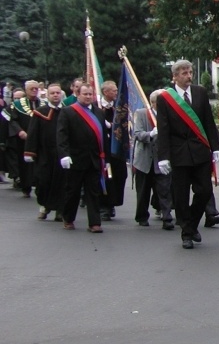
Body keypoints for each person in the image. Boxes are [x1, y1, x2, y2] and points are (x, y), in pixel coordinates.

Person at [156, 60, 219, 249]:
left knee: (204, 191)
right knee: (181, 195)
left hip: (200, 150)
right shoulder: (165, 98)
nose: (189, 76)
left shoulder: (200, 92)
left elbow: (209, 122)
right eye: (184, 73)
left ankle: (192, 224)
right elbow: (163, 129)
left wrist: (216, 146)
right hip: (179, 153)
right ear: (175, 76)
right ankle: (186, 233)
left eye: (190, 72)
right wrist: (163, 157)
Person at [56, 84, 108, 233]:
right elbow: (62, 135)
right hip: (75, 158)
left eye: (90, 94)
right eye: (85, 94)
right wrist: (64, 155)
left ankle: (94, 223)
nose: (88, 97)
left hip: (95, 159)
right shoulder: (68, 112)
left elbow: (103, 137)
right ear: (78, 95)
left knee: (93, 192)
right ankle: (68, 218)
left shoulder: (99, 113)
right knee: (73, 191)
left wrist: (106, 159)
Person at [131, 90, 174, 230]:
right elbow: (137, 134)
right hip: (145, 160)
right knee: (143, 191)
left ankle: (167, 217)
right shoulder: (142, 114)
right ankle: (142, 216)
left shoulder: (168, 115)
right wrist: (150, 133)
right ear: (153, 103)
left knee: (164, 190)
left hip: (162, 160)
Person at [23, 83, 65, 221]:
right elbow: (33, 133)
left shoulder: (68, 111)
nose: (55, 95)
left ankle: (60, 209)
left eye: (57, 93)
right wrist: (29, 152)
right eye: (52, 93)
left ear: (61, 94)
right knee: (43, 181)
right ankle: (44, 206)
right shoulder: (40, 112)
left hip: (62, 154)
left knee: (61, 182)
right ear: (47, 95)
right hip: (44, 154)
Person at [99, 80, 127, 219]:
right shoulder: (97, 107)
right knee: (106, 175)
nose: (116, 93)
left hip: (117, 146)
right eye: (113, 91)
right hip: (103, 146)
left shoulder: (119, 106)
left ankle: (113, 202)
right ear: (105, 92)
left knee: (119, 175)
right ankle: (104, 206)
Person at [11, 80, 42, 197]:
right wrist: (20, 131)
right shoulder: (18, 105)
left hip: (40, 139)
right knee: (24, 163)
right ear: (26, 90)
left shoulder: (43, 103)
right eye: (31, 89)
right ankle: (26, 186)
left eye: (36, 89)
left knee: (40, 162)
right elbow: (13, 120)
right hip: (24, 138)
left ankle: (39, 185)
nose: (34, 91)